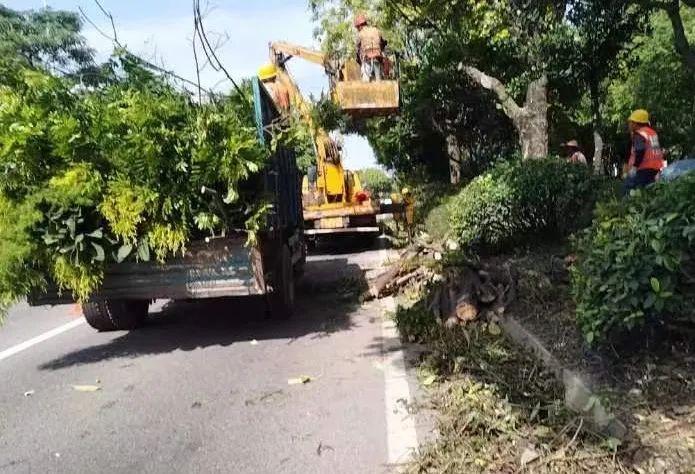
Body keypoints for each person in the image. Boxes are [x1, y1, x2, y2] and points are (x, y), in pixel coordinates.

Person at [622, 109, 665, 195]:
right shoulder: (652, 133)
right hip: (654, 169)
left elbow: (640, 150)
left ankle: (626, 207)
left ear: (636, 123)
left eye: (630, 122)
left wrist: (634, 167)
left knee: (629, 189)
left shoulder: (640, 134)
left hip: (642, 169)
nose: (629, 125)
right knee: (647, 192)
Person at [354, 14, 387, 82]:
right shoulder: (376, 30)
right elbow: (383, 42)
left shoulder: (360, 34)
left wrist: (358, 60)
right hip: (377, 58)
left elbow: (357, 49)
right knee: (379, 80)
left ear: (360, 26)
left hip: (367, 59)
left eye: (357, 27)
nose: (357, 29)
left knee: (365, 81)